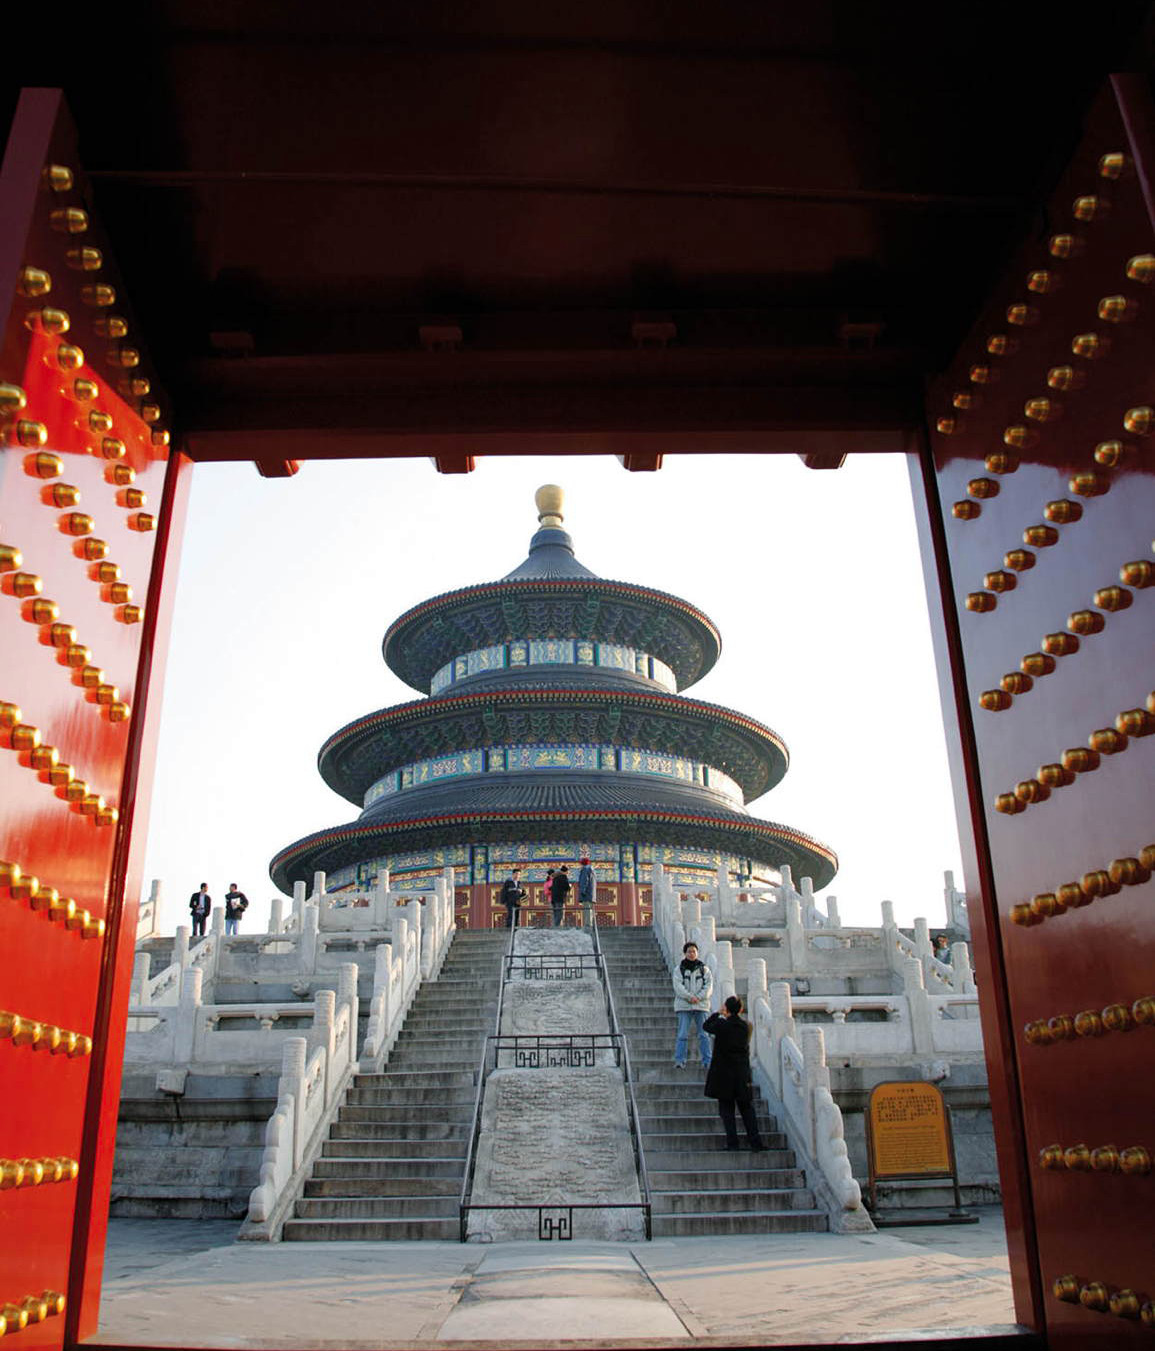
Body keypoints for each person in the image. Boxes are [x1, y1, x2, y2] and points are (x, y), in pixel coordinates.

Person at [704, 995, 766, 1150]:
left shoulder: (721, 1025)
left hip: (723, 1075)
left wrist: (718, 1013)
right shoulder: (747, 1027)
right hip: (741, 1074)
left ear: (726, 1009)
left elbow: (706, 1026)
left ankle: (733, 1143)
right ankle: (755, 1143)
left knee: (727, 1112)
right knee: (747, 1110)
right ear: (741, 1009)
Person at [672, 940, 713, 1070]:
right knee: (682, 1034)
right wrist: (690, 997)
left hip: (701, 1005)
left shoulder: (704, 969)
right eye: (689, 951)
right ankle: (680, 1060)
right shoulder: (679, 969)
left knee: (704, 1035)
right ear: (685, 953)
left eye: (694, 951)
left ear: (697, 953)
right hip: (684, 1005)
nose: (691, 953)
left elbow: (709, 986)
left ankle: (707, 1060)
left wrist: (698, 997)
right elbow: (678, 986)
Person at [577, 856, 595, 928]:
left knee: (587, 909)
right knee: (590, 909)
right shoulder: (592, 870)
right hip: (591, 894)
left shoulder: (585, 869)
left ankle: (587, 925)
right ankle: (590, 923)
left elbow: (584, 881)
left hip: (586, 894)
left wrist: (582, 891)